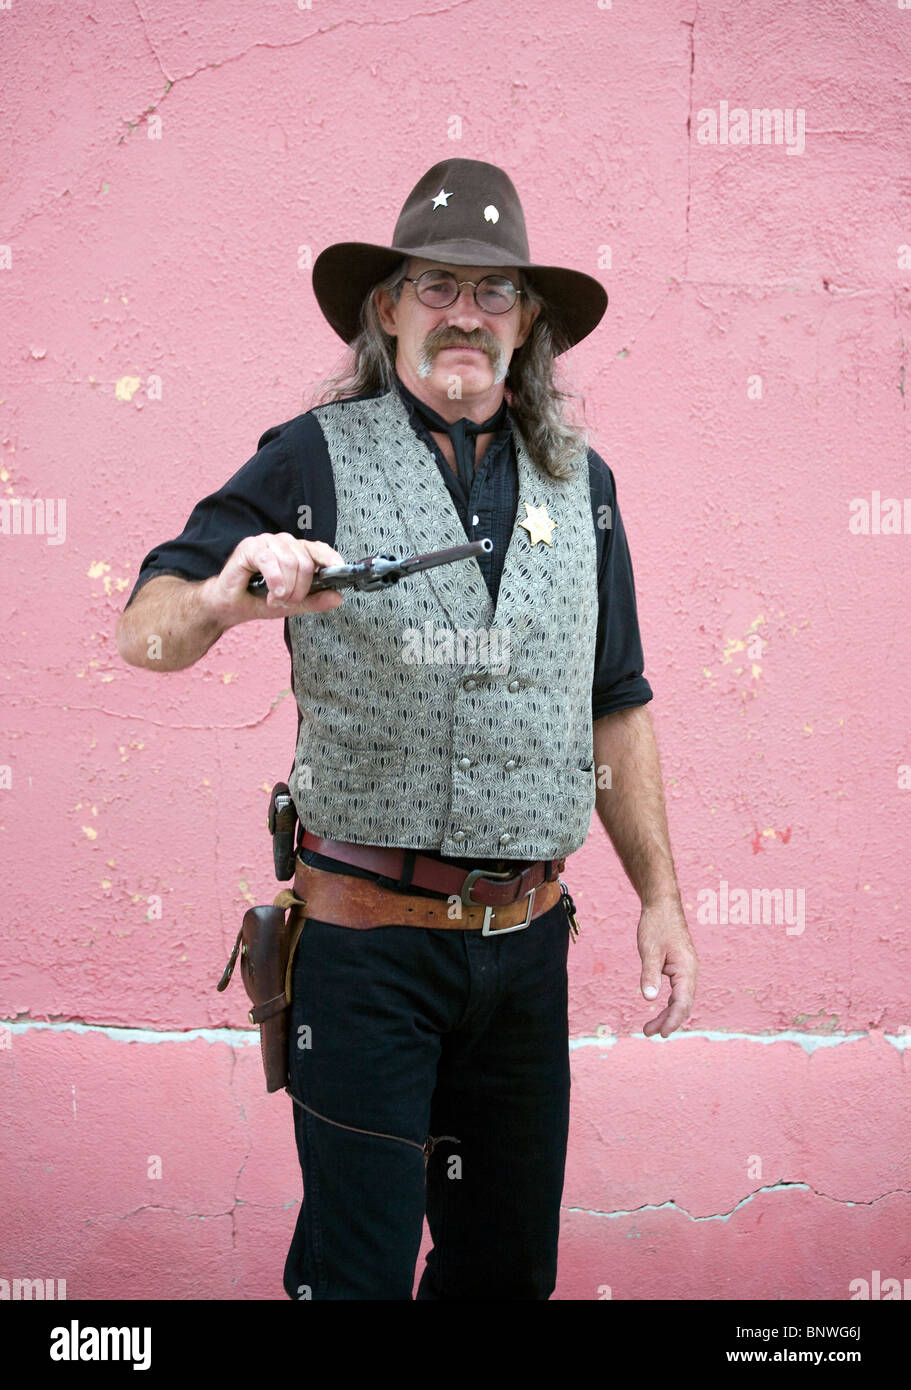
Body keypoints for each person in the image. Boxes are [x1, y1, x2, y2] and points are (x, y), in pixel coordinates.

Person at [116, 157, 699, 1301]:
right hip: (366, 948)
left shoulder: (582, 484)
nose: (463, 314)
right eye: (435, 286)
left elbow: (615, 704)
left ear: (527, 320)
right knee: (359, 1274)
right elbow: (146, 632)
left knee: (503, 1273)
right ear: (387, 311)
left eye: (491, 292)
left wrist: (660, 899)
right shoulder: (306, 460)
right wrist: (226, 597)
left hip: (528, 952)